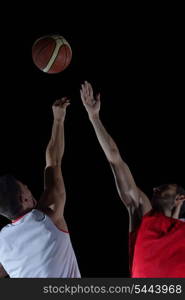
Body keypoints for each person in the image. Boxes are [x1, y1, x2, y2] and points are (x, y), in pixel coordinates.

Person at [80, 81, 185, 278]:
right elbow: (115, 160)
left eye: (164, 188)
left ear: (179, 199)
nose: (155, 188)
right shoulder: (143, 213)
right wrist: (94, 117)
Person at [0, 98, 81, 278]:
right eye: (24, 187)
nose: (28, 187)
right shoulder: (47, 218)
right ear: (24, 199)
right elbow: (54, 162)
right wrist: (58, 119)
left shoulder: (2, 243)